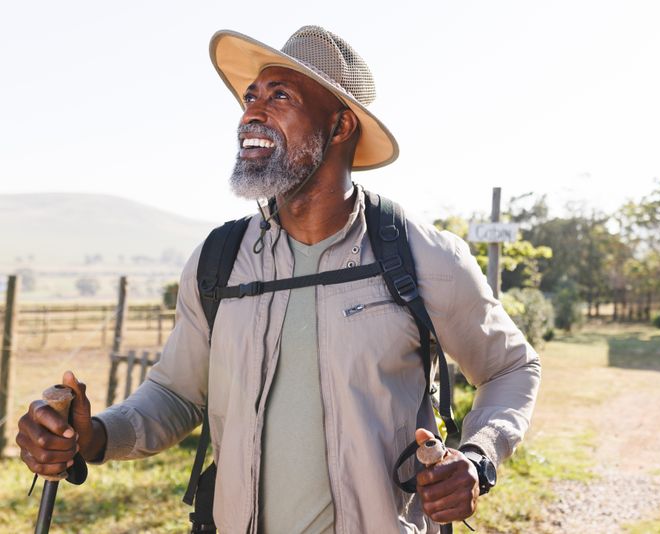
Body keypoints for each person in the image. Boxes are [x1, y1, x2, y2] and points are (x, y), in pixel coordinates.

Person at [16, 26, 541, 533]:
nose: (251, 114)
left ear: (339, 127)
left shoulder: (421, 256)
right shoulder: (218, 261)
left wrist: (477, 458)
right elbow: (177, 394)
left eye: (280, 96)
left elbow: (511, 367)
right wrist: (94, 435)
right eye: (250, 96)